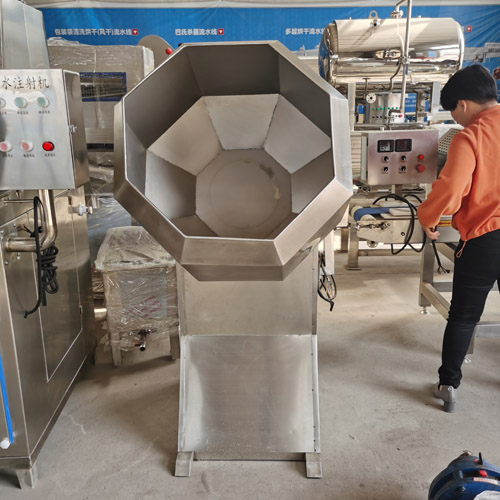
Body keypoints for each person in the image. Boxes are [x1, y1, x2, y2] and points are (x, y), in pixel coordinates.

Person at [417, 64, 500, 413]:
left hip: (485, 238)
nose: (455, 118)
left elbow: (451, 190)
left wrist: (427, 218)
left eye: (453, 111)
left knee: (464, 316)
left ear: (462, 104)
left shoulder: (470, 137)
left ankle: (448, 385)